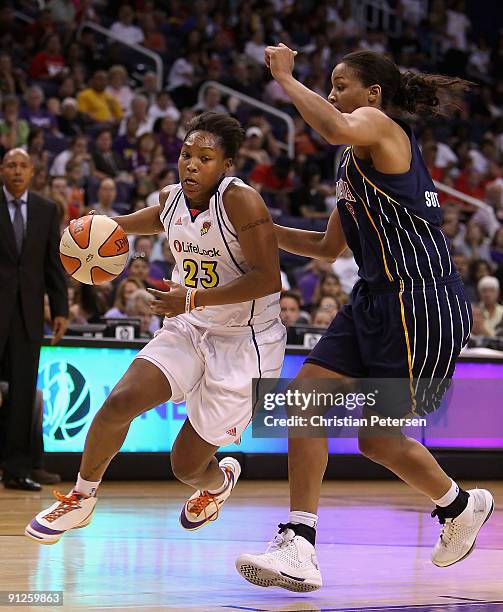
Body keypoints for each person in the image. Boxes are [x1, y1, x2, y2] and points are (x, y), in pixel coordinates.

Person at [236, 47, 494, 591]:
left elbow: (331, 126)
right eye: (327, 86)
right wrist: (258, 227)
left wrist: (284, 77)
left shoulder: (380, 127)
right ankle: (299, 544)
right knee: (305, 399)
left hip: (421, 303)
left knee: (378, 440)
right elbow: (328, 247)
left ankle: (459, 505)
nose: (331, 95)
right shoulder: (353, 163)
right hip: (373, 299)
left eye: (339, 85)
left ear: (372, 94)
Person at [26, 111, 286, 543]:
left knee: (185, 466)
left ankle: (218, 483)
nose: (191, 164)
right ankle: (81, 498)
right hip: (189, 326)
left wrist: (192, 297)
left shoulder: (242, 201)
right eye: (186, 155)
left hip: (246, 342)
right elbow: (153, 218)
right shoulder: (172, 199)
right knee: (120, 402)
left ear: (227, 166)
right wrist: (102, 227)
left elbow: (267, 278)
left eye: (205, 158)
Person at [0, 148, 68, 491]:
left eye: (22, 165)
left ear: (32, 172)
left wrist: (60, 310)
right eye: (10, 165)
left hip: (27, 316)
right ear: (2, 170)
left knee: (23, 395)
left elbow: (53, 265)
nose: (16, 171)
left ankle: (16, 468)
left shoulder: (45, 209)